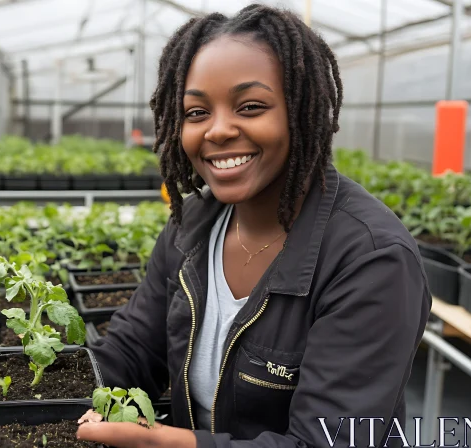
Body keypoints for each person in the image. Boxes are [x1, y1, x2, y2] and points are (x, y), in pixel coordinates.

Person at [76, 4, 431, 447]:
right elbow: (132, 351)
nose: (219, 130)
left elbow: (325, 441)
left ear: (302, 111)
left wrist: (160, 441)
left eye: (251, 106)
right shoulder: (193, 226)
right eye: (196, 112)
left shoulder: (370, 258)